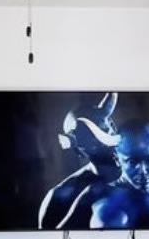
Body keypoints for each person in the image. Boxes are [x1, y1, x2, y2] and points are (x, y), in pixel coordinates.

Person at [74, 106, 149, 229]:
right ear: (117, 158)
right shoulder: (97, 194)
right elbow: (67, 235)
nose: (142, 170)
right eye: (132, 162)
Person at [37, 93, 122, 229]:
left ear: (113, 126)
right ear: (79, 152)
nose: (106, 146)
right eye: (93, 143)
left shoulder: (145, 176)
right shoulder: (60, 197)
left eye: (107, 131)